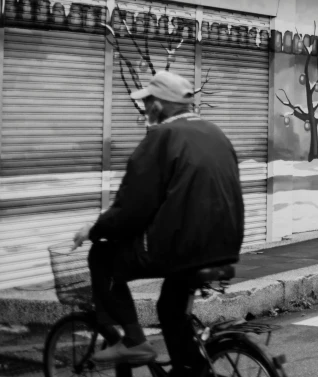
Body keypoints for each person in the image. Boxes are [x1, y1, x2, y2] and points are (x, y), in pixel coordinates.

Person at [72, 71, 245, 375]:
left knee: (101, 256)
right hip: (226, 246)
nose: (145, 110)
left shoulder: (161, 138)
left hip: (183, 248)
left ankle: (135, 341)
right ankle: (191, 367)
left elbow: (131, 210)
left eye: (148, 102)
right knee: (169, 308)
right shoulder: (215, 132)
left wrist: (94, 230)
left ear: (157, 106)